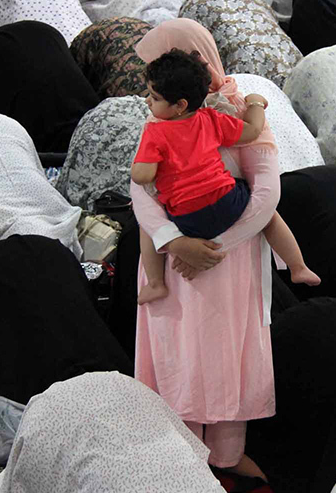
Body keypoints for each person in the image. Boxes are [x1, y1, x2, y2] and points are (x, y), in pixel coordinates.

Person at [131, 48, 319, 304]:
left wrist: (140, 164)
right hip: (228, 203)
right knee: (269, 216)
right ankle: (298, 267)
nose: (147, 102)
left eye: (154, 97)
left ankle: (155, 284)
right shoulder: (211, 119)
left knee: (146, 226)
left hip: (187, 218)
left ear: (180, 105)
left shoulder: (155, 131)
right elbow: (252, 131)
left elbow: (143, 176)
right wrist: (255, 103)